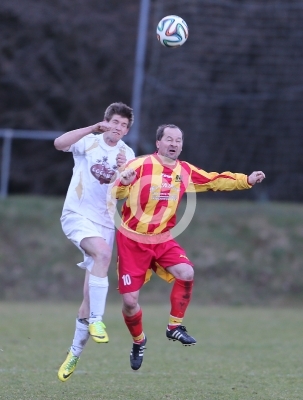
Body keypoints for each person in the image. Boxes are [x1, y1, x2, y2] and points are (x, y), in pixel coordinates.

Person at [111, 123, 265, 371]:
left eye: (178, 140)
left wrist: (245, 180)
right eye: (169, 139)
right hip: (132, 240)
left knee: (187, 272)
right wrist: (123, 183)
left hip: (162, 239)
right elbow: (115, 193)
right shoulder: (139, 165)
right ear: (158, 142)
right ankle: (139, 341)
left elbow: (214, 180)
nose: (174, 144)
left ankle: (174, 326)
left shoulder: (184, 171)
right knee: (130, 303)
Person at [54, 102, 135, 381]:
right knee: (102, 255)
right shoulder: (88, 141)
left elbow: (125, 192)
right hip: (76, 214)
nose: (119, 128)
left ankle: (74, 353)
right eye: (115, 122)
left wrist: (128, 177)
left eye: (124, 125)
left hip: (104, 222)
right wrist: (90, 128)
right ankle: (99, 322)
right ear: (105, 122)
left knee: (87, 302)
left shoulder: (128, 154)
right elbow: (58, 143)